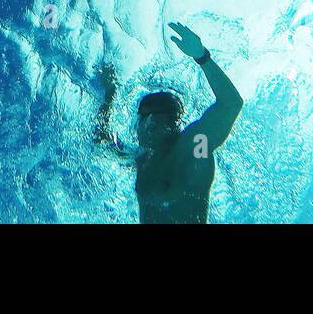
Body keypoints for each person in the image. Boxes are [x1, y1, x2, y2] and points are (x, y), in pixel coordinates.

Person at [95, 22, 243, 223]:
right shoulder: (143, 159)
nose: (143, 125)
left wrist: (202, 56)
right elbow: (101, 141)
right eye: (141, 118)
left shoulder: (194, 147)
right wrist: (109, 94)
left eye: (150, 117)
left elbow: (231, 105)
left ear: (169, 121)